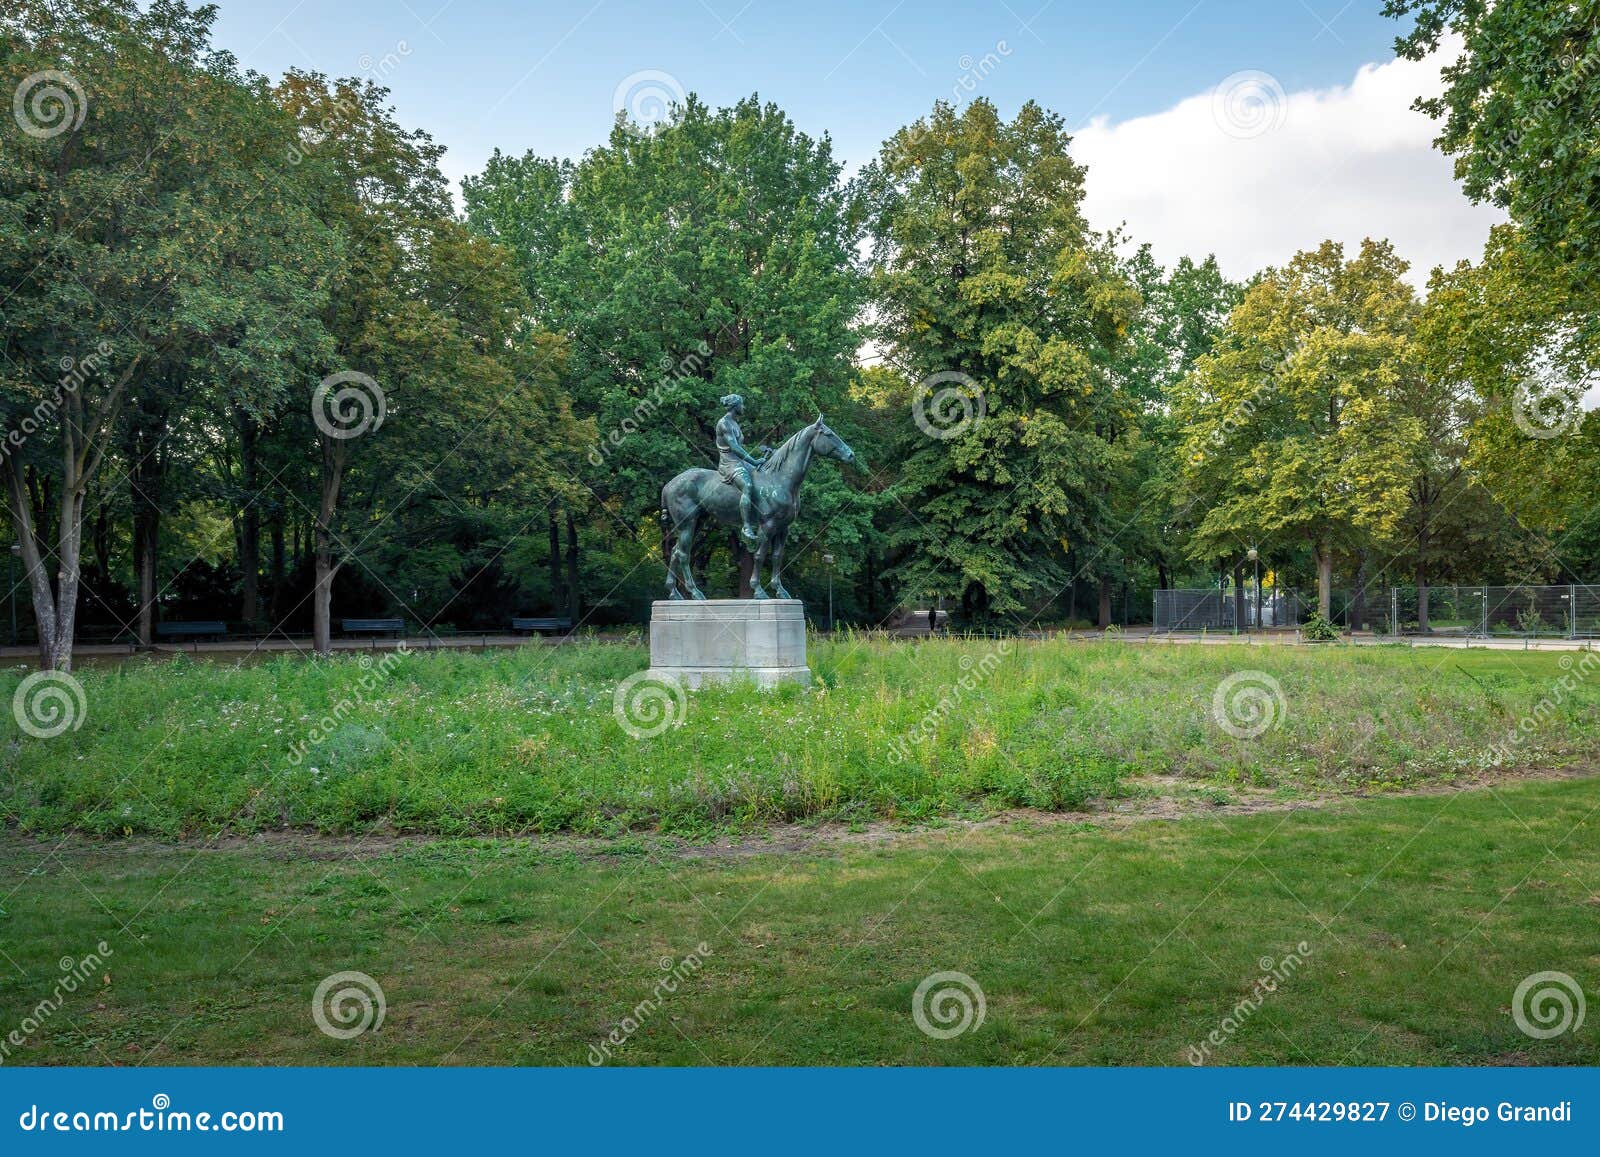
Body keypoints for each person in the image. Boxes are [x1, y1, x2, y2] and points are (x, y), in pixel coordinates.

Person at [715, 394, 765, 547]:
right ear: (735, 406)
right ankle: (746, 526)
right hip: (729, 463)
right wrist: (754, 461)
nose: (743, 407)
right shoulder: (724, 423)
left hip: (740, 462)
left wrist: (755, 463)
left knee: (762, 475)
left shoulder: (734, 423)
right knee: (748, 486)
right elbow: (735, 448)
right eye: (742, 404)